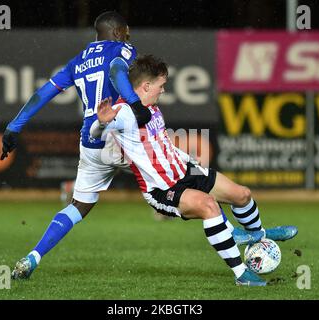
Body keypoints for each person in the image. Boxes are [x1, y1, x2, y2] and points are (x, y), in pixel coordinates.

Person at [91, 54, 298, 286]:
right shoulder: (124, 112)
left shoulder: (149, 106)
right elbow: (94, 133)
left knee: (242, 195)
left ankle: (258, 238)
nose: (163, 90)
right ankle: (242, 274)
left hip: (187, 169)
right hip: (163, 188)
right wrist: (101, 123)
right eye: (161, 85)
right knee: (209, 207)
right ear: (146, 86)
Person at [1, 11, 153, 280]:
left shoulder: (78, 61)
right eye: (125, 32)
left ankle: (32, 258)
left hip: (91, 141)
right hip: (120, 135)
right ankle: (232, 226)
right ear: (118, 32)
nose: (127, 36)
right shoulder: (123, 48)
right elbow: (117, 70)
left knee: (79, 205)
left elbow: (43, 93)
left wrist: (14, 126)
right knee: (177, 179)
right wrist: (135, 103)